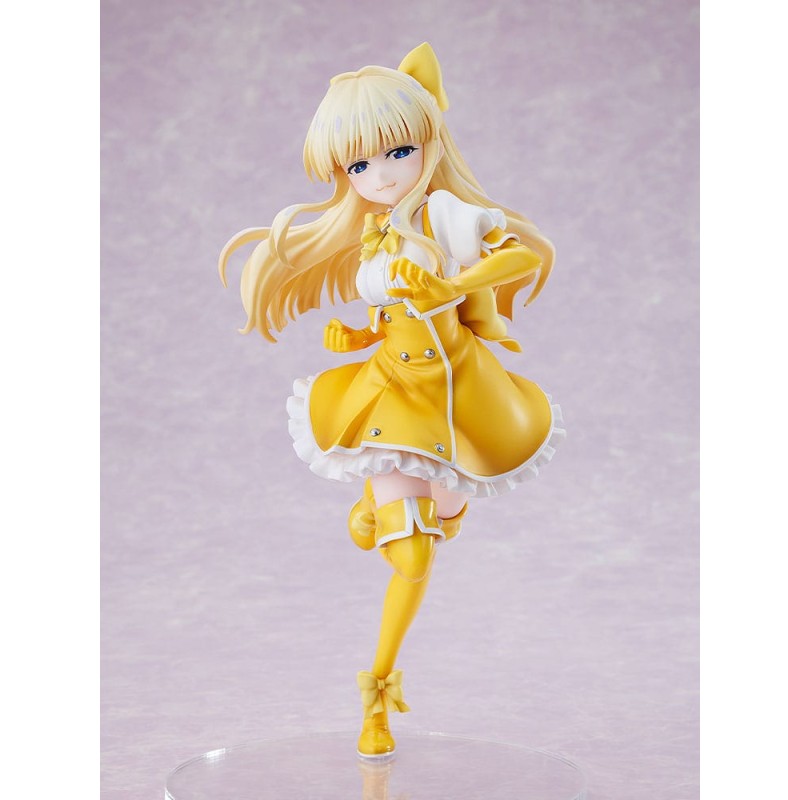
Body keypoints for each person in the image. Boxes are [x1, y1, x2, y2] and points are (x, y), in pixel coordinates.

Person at [219, 42, 564, 760]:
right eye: (358, 166)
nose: (380, 176)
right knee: (411, 556)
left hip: (455, 392)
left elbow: (520, 254)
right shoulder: (375, 233)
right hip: (391, 392)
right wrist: (357, 333)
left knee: (442, 516)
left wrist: (454, 286)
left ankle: (403, 505)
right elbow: (389, 311)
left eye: (398, 152)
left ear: (428, 142)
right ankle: (377, 693)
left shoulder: (445, 213)